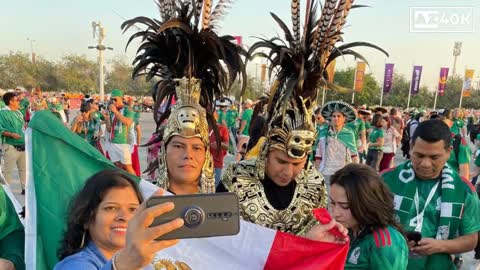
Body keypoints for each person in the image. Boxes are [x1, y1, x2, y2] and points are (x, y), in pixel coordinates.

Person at [382, 120, 480, 270]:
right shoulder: (384, 180)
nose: (425, 164)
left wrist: (440, 246)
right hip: (387, 264)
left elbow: (471, 239)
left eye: (434, 157)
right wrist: (395, 240)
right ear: (411, 147)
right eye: (419, 155)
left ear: (449, 152)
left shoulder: (464, 190)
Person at [54, 169, 183, 269]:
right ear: (87, 218)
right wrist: (121, 266)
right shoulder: (74, 265)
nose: (124, 217)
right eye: (111, 208)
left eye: (133, 209)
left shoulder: (146, 262)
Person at [330, 163, 408, 269]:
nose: (335, 213)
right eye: (333, 203)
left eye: (345, 206)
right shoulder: (349, 230)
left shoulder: (385, 243)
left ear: (368, 203)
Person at [315, 101, 358, 189]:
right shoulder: (324, 133)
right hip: (325, 172)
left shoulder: (349, 134)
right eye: (334, 116)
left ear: (344, 118)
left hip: (342, 174)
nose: (336, 118)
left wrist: (355, 173)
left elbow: (354, 155)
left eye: (339, 116)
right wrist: (316, 174)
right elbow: (318, 156)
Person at [104, 89, 136, 175]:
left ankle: (137, 185)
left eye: (115, 99)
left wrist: (115, 112)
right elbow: (109, 129)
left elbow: (128, 122)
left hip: (123, 142)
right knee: (117, 166)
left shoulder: (128, 109)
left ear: (121, 98)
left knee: (128, 167)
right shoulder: (112, 111)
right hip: (113, 142)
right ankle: (121, 183)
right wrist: (107, 119)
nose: (113, 101)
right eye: (112, 99)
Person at [0, 92, 26, 194]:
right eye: (17, 100)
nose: (19, 102)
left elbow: (22, 127)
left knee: (23, 169)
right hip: (10, 146)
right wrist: (11, 134)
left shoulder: (19, 113)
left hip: (22, 146)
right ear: (10, 102)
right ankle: (6, 192)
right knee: (8, 171)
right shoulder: (2, 113)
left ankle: (24, 188)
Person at [209, 111, 229, 187]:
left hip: (216, 163)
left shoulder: (222, 129)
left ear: (216, 117)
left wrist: (219, 144)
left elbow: (226, 146)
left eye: (212, 117)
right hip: (202, 163)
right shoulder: (202, 129)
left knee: (214, 187)